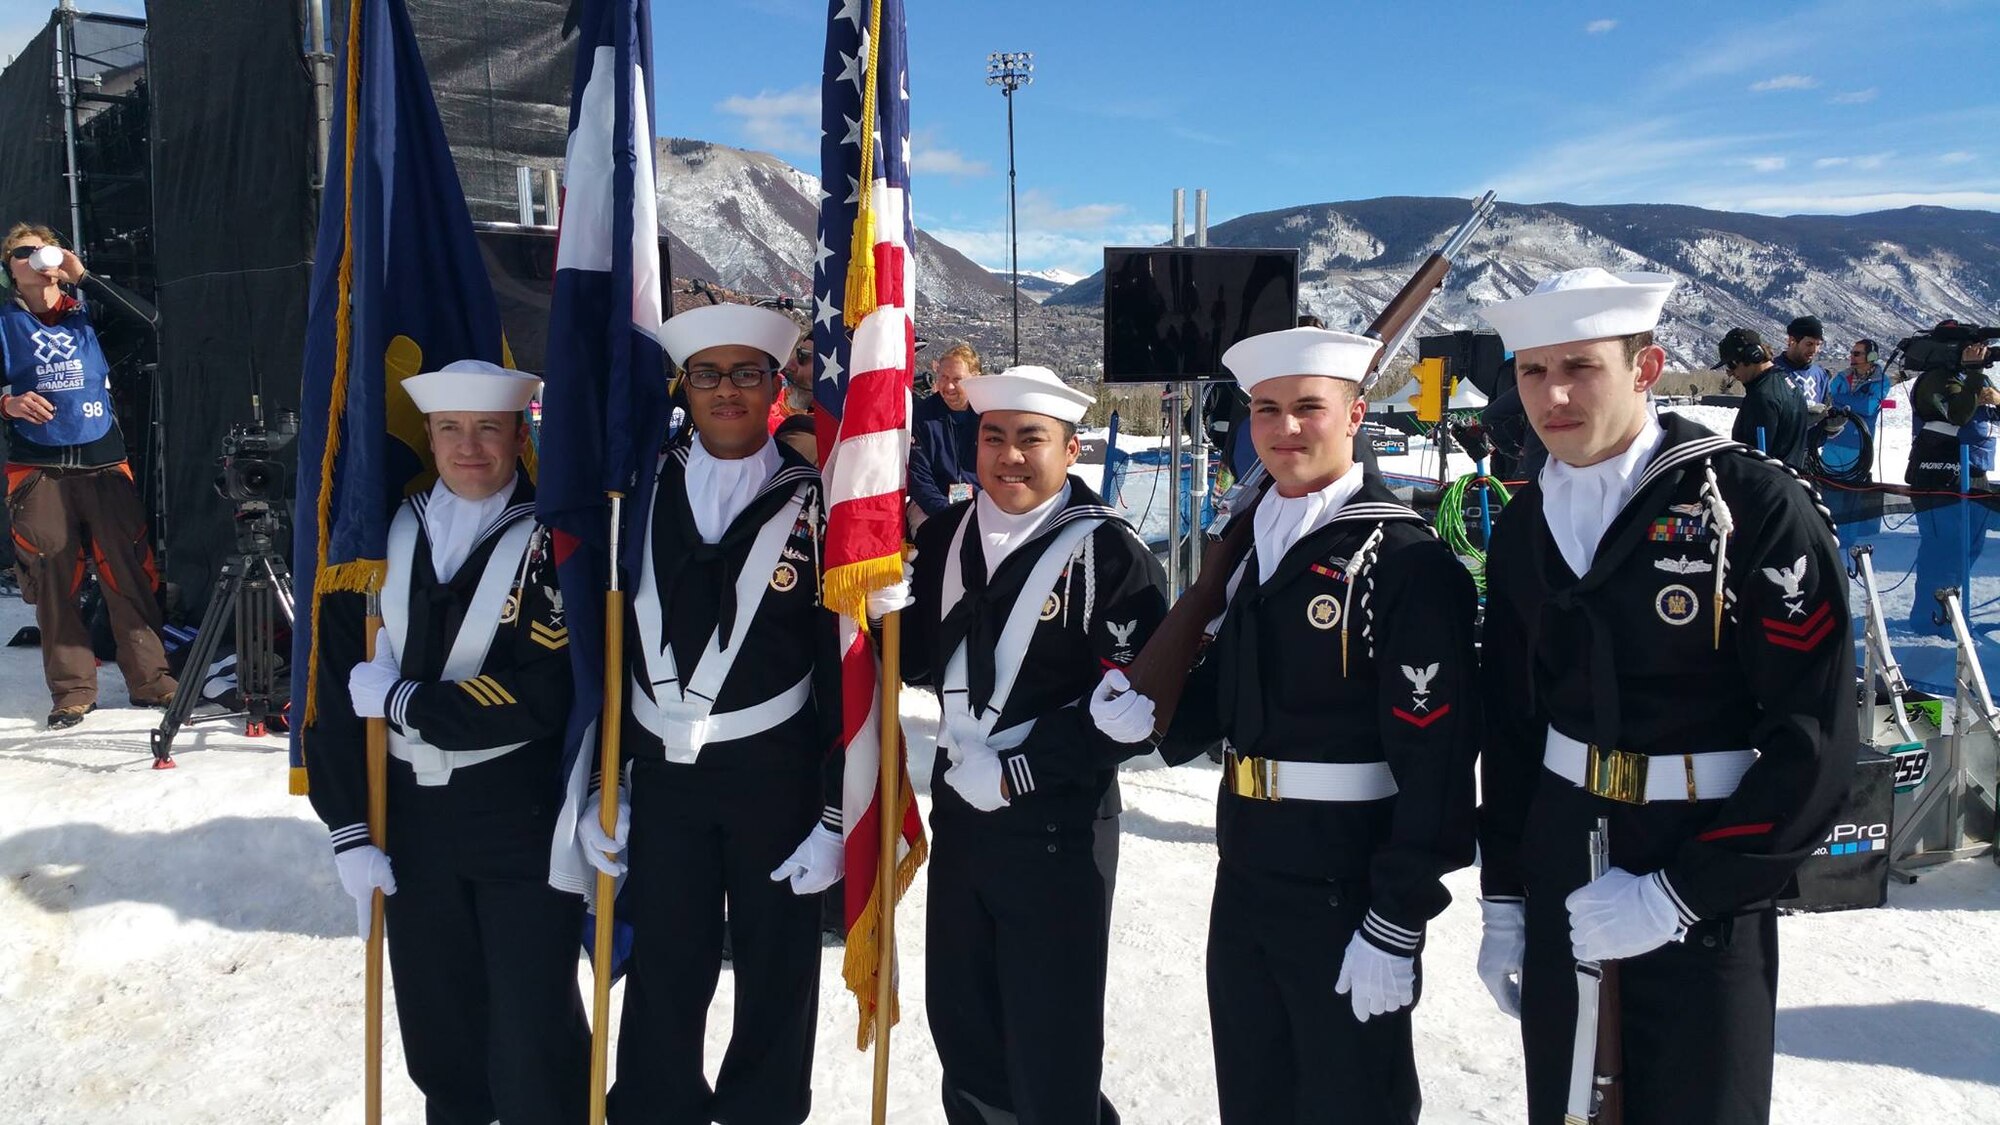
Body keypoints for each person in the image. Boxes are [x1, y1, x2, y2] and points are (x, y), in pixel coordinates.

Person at [1474, 268, 1855, 1125]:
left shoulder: (1751, 504)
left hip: (1703, 876)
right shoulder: (1527, 523)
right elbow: (1511, 727)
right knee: (1570, 1109)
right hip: (1564, 867)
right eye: (1532, 371)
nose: (1553, 394)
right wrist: (1505, 896)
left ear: (1646, 367)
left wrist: (1678, 893)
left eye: (1581, 365)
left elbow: (1816, 744)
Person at [1091, 327, 1479, 1124]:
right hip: (1248, 865)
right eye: (1267, 410)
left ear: (1356, 414)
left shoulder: (1402, 559)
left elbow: (1436, 759)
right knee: (1255, 1093)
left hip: (1347, 880)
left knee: (1349, 1099)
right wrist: (1152, 712)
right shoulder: (1252, 539)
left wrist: (1398, 914)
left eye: (1309, 407)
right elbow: (1238, 691)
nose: (1286, 428)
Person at [579, 302, 868, 1125]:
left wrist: (832, 809)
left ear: (777, 386)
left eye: (748, 373)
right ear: (686, 386)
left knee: (779, 970)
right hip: (666, 779)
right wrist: (616, 779)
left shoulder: (816, 504)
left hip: (773, 776)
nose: (728, 391)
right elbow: (611, 656)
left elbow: (836, 670)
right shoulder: (631, 494)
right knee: (668, 962)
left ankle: (764, 1113)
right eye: (708, 375)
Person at [308, 358, 590, 1125]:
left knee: (535, 1037)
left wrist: (409, 701)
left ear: (517, 433)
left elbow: (545, 694)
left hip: (519, 816)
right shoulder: (373, 542)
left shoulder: (553, 542)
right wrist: (347, 827)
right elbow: (331, 694)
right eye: (451, 429)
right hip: (411, 823)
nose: (471, 447)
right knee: (440, 1037)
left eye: (489, 428)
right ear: (427, 437)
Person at [901, 364, 1168, 1125]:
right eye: (993, 437)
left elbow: (1131, 710)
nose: (1009, 456)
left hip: (1057, 828)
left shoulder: (1110, 555)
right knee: (965, 1029)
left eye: (1031, 439)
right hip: (961, 818)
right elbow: (927, 660)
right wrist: (885, 618)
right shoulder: (949, 534)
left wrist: (1019, 771)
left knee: (1051, 1049)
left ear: (1070, 448)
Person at [0, 222, 175, 728]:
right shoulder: (4, 322)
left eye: (44, 248)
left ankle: (152, 681)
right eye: (23, 251)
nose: (37, 257)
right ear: (10, 269)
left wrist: (86, 277)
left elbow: (151, 320)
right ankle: (73, 690)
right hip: (36, 468)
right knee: (53, 574)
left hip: (103, 460)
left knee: (128, 569)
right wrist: (7, 402)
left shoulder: (87, 313)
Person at [1902, 329, 1996, 635]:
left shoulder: (1970, 376)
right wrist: (1972, 375)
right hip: (1940, 475)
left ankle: (1951, 610)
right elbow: (1958, 415)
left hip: (1974, 472)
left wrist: (1994, 396)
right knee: (1943, 549)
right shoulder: (1935, 379)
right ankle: (1932, 617)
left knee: (1967, 548)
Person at [907, 342, 983, 532]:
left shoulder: (988, 417)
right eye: (943, 377)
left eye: (957, 379)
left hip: (981, 505)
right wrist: (947, 513)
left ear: (975, 379)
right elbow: (919, 480)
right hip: (931, 506)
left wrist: (981, 509)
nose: (948, 386)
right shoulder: (922, 416)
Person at [1716, 327, 1806, 469]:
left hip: (1767, 485)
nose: (1730, 374)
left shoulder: (1761, 397)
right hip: (1790, 483)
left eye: (1731, 365)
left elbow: (1753, 461)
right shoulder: (1789, 383)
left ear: (1752, 356)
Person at [1822, 338, 1889, 479]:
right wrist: (1854, 402)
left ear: (1871, 357)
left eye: (1857, 353)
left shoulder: (1881, 381)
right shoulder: (1842, 377)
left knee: (1853, 494)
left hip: (1858, 445)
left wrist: (1840, 399)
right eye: (1852, 352)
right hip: (1832, 442)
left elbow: (1868, 407)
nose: (1852, 356)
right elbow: (1828, 400)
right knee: (1829, 490)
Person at [1770, 315, 1829, 405]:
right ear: (1792, 340)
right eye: (1809, 344)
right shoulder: (1771, 370)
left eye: (1818, 344)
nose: (1814, 350)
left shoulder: (1820, 375)